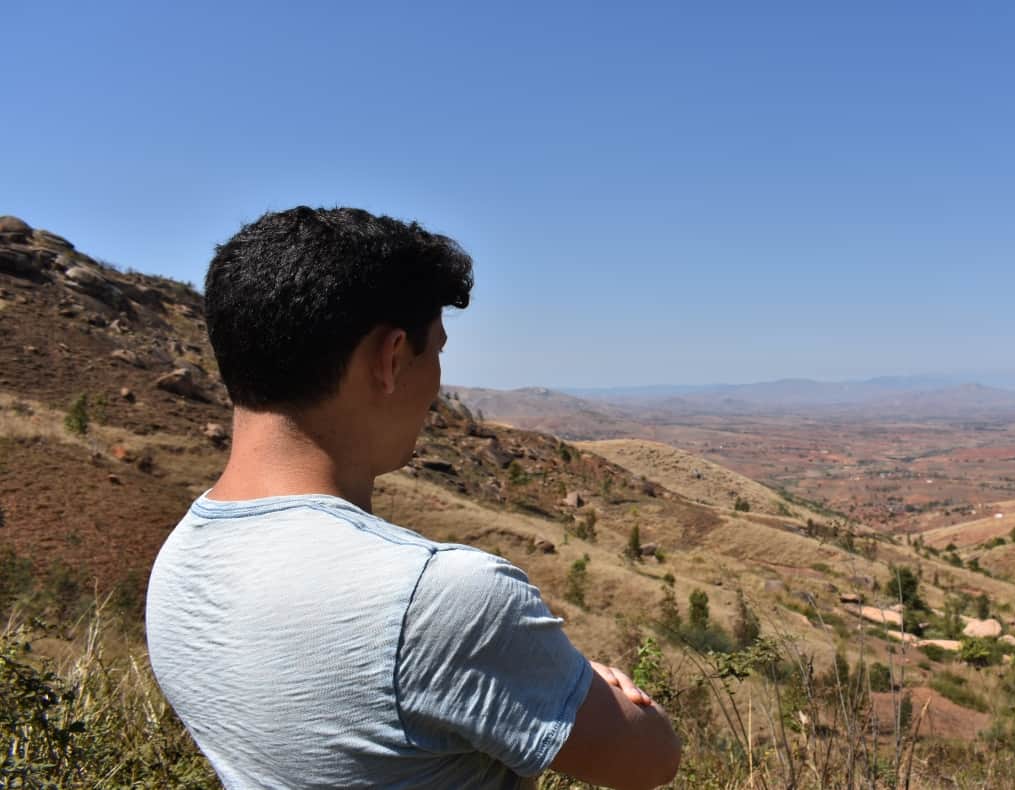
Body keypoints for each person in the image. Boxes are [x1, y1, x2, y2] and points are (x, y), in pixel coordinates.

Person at [145, 207, 681, 790]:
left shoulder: (179, 561)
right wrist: (576, 682)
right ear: (391, 357)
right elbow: (651, 760)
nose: (439, 386)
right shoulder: (439, 598)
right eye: (439, 350)